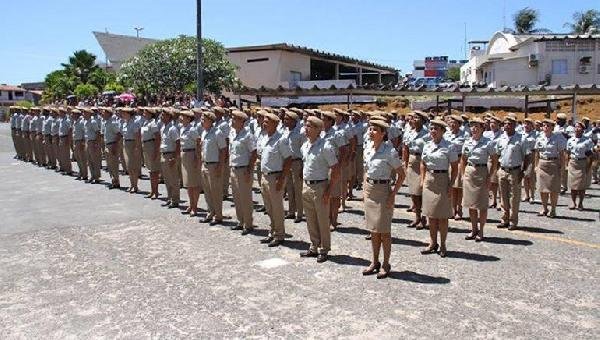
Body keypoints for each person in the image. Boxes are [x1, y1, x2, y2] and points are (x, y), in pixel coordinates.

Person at [359, 118, 405, 278]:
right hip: (370, 191)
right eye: (370, 129)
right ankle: (374, 261)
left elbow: (401, 175)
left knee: (384, 231)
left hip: (383, 191)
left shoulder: (389, 151)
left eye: (375, 130)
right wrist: (365, 191)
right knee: (373, 230)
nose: (371, 132)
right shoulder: (368, 149)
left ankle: (386, 263)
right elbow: (366, 171)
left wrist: (393, 195)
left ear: (383, 133)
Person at [300, 115, 339, 263]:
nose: (306, 128)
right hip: (307, 185)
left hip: (320, 186)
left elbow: (335, 169)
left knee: (322, 219)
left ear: (318, 129)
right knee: (310, 219)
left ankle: (324, 249)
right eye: (305, 125)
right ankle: (314, 246)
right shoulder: (305, 145)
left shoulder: (326, 146)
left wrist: (329, 190)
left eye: (309, 126)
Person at [420, 119, 458, 258]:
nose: (433, 131)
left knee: (442, 216)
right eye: (431, 129)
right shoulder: (427, 145)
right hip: (430, 181)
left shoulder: (449, 146)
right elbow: (423, 163)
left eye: (436, 129)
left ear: (443, 131)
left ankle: (442, 244)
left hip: (442, 181)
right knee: (431, 215)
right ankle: (432, 243)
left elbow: (454, 167)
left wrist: (451, 184)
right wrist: (423, 180)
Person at [259, 112, 293, 247]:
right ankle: (272, 231)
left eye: (267, 122)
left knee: (277, 208)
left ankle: (279, 235)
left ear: (275, 123)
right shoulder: (264, 137)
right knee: (269, 207)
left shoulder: (281, 139)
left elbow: (288, 159)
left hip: (275, 177)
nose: (264, 123)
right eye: (264, 121)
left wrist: (282, 179)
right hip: (265, 176)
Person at [460, 118, 497, 241]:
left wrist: (490, 176)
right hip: (470, 172)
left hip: (482, 172)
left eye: (477, 126)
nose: (474, 129)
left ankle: (481, 231)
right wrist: (462, 175)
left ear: (482, 128)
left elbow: (494, 160)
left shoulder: (488, 142)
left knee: (482, 205)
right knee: (471, 204)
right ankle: (473, 229)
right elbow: (463, 160)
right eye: (472, 126)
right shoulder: (467, 142)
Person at [496, 116, 531, 230]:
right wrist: (497, 169)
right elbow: (497, 155)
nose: (507, 125)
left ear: (515, 125)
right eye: (505, 123)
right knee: (503, 197)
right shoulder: (501, 138)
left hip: (515, 171)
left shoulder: (521, 139)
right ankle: (504, 219)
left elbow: (527, 156)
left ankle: (513, 221)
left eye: (510, 124)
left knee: (514, 198)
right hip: (502, 170)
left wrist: (523, 170)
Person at [229, 110, 258, 234]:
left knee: (245, 198)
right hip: (234, 168)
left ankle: (248, 223)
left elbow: (254, 153)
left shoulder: (248, 135)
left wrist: (249, 169)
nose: (232, 121)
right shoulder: (232, 133)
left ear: (242, 121)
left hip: (243, 169)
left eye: (235, 119)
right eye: (232, 118)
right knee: (236, 197)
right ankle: (240, 221)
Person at [402, 110, 430, 229]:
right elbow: (405, 148)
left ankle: (424, 218)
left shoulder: (427, 134)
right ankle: (417, 217)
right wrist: (405, 163)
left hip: (423, 162)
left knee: (422, 192)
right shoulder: (409, 132)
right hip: (412, 162)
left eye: (417, 118)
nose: (413, 119)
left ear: (423, 120)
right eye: (412, 117)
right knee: (414, 192)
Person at [534, 119, 567, 218]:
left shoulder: (557, 138)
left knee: (553, 189)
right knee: (542, 189)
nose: (546, 127)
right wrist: (536, 166)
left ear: (552, 127)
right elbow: (537, 153)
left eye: (548, 126)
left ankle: (553, 209)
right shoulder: (539, 138)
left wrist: (562, 166)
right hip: (542, 164)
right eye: (544, 125)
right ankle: (544, 208)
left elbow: (562, 154)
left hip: (553, 163)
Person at [321, 111, 348, 230]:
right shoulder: (321, 134)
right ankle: (326, 218)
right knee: (325, 193)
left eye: (324, 120)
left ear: (330, 121)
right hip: (323, 166)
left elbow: (343, 150)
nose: (322, 122)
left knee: (334, 195)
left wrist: (340, 166)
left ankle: (334, 220)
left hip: (334, 165)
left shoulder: (336, 134)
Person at [199, 110, 227, 225]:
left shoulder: (217, 133)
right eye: (201, 119)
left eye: (204, 120)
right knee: (207, 192)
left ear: (210, 121)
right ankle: (210, 212)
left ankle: (218, 215)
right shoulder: (204, 132)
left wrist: (220, 166)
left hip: (214, 165)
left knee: (215, 192)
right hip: (205, 164)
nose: (201, 121)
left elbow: (223, 150)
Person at [566, 121, 595, 210]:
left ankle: (580, 203)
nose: (577, 128)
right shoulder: (570, 140)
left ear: (583, 130)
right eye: (576, 127)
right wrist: (567, 164)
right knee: (572, 185)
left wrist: (588, 166)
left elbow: (591, 155)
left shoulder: (587, 141)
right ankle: (573, 202)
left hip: (582, 163)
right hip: (573, 163)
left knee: (581, 186)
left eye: (579, 127)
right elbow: (567, 153)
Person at [444, 114, 468, 220]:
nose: (452, 124)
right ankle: (452, 208)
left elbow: (466, 150)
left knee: (459, 187)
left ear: (459, 124)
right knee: (452, 187)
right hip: (448, 162)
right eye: (451, 122)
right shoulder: (446, 134)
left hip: (459, 161)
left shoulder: (465, 134)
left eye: (455, 123)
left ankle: (459, 208)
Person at [283, 110, 305, 223]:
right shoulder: (285, 131)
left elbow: (305, 150)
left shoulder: (300, 132)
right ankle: (291, 211)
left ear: (293, 120)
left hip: (297, 162)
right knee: (290, 188)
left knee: (298, 189)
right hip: (287, 162)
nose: (285, 121)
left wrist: (303, 166)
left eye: (287, 119)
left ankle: (300, 213)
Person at [179, 110, 202, 216]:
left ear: (188, 118)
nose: (181, 118)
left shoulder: (192, 129)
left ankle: (195, 206)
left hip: (192, 155)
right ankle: (191, 204)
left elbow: (198, 144)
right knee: (188, 183)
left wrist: (197, 158)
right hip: (184, 155)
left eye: (183, 117)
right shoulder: (182, 128)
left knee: (194, 183)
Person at [159, 108, 181, 208]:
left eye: (163, 115)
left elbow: (178, 143)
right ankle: (170, 198)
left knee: (173, 179)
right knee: (167, 179)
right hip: (164, 154)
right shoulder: (163, 127)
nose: (161, 117)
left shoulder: (172, 129)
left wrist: (174, 157)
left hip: (170, 155)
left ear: (169, 116)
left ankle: (175, 199)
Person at [120, 107, 142, 193]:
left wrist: (137, 147)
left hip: (133, 144)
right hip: (126, 144)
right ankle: (132, 184)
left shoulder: (135, 122)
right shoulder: (125, 122)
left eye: (124, 113)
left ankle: (135, 185)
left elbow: (137, 135)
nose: (122, 115)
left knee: (133, 166)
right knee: (129, 166)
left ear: (128, 114)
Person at [141, 107, 162, 199]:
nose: (143, 114)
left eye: (145, 112)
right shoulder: (146, 122)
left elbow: (157, 137)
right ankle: (152, 190)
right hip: (146, 145)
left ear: (150, 113)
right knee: (150, 170)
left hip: (151, 145)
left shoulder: (153, 123)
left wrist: (156, 151)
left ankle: (156, 191)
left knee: (154, 171)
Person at [484, 115, 503, 209]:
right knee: (491, 180)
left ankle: (500, 200)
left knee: (499, 181)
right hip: (490, 159)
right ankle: (493, 199)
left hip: (500, 159)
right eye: (491, 123)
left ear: (499, 124)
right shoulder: (486, 134)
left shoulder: (502, 134)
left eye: (494, 123)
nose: (492, 125)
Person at [101, 107, 122, 189]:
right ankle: (113, 181)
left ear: (108, 113)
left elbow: (119, 134)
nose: (102, 114)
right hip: (107, 144)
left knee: (114, 164)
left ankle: (116, 182)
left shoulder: (113, 123)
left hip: (112, 145)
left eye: (103, 112)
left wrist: (115, 145)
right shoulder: (106, 122)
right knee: (109, 165)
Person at [521, 118, 538, 203]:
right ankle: (526, 194)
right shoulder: (520, 134)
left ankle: (532, 195)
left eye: (528, 124)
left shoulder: (535, 134)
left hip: (531, 155)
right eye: (525, 124)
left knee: (530, 177)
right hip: (522, 156)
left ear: (532, 125)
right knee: (524, 176)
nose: (526, 126)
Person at [83, 108, 102, 184]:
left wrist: (96, 143)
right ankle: (92, 176)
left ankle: (97, 177)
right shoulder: (86, 122)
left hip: (92, 142)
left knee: (95, 160)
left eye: (85, 113)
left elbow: (98, 133)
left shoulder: (93, 121)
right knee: (89, 160)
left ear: (89, 114)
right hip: (88, 141)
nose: (83, 114)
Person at [71, 108, 88, 181]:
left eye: (73, 114)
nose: (72, 115)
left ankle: (85, 174)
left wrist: (83, 143)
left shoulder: (81, 122)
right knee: (78, 158)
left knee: (82, 159)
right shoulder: (75, 122)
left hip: (80, 141)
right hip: (76, 141)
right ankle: (81, 172)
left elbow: (84, 132)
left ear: (77, 115)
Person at [57, 107, 73, 175]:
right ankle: (64, 168)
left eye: (60, 112)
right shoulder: (61, 120)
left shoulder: (67, 120)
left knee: (66, 155)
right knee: (62, 155)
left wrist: (68, 140)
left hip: (65, 138)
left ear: (63, 113)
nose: (59, 113)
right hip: (61, 138)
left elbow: (70, 130)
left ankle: (68, 170)